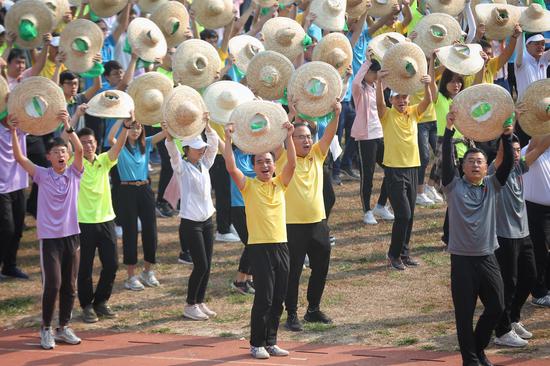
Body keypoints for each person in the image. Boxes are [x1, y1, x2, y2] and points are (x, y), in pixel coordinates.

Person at [442, 107, 514, 366]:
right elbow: (445, 161)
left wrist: (507, 135)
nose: (474, 164)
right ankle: (470, 360)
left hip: (487, 258)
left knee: (497, 306)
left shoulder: (493, 186)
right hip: (461, 261)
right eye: (470, 161)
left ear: (486, 169)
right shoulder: (452, 186)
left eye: (479, 162)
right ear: (462, 167)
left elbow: (507, 165)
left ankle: (478, 347)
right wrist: (448, 131)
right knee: (464, 315)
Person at [10, 110, 84, 350]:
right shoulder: (42, 175)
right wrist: (13, 131)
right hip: (50, 239)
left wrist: (67, 123)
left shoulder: (74, 173)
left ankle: (63, 327)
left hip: (72, 236)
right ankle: (45, 328)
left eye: (63, 151)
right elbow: (20, 158)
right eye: (56, 152)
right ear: (48, 157)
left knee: (70, 285)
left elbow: (80, 150)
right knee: (53, 283)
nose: (61, 154)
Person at [224, 121, 296, 360]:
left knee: (279, 297)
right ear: (253, 167)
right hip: (259, 248)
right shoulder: (249, 186)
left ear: (274, 165)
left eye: (268, 161)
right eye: (259, 162)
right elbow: (231, 167)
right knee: (264, 297)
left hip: (281, 245)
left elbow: (293, 164)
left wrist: (288, 136)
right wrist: (227, 137)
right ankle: (256, 343)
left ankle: (271, 341)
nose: (264, 165)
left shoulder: (280, 184)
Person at [279, 98, 341, 332]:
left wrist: (337, 113)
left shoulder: (317, 154)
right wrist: (291, 116)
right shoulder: (283, 158)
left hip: (318, 224)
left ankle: (313, 309)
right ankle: (291, 314)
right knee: (293, 272)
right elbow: (278, 137)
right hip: (292, 226)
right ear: (290, 141)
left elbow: (330, 134)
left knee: (321, 267)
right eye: (300, 137)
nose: (306, 140)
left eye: (308, 137)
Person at [74, 109, 132, 323]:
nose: (88, 146)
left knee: (111, 264)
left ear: (96, 143)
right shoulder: (75, 163)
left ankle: (101, 301)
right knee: (85, 268)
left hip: (107, 220)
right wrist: (70, 119)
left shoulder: (103, 161)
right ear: (78, 145)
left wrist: (125, 126)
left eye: (90, 142)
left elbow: (117, 148)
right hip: (83, 223)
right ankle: (86, 305)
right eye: (83, 142)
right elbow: (63, 138)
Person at [375, 69, 434, 270]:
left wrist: (427, 84)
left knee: (410, 216)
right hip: (395, 171)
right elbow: (379, 104)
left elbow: (428, 101)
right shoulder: (387, 115)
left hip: (413, 169)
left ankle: (404, 253)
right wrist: (380, 83)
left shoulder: (413, 113)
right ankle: (393, 254)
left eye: (404, 97)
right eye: (398, 98)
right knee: (403, 215)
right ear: (392, 100)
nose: (402, 101)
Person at [164, 117, 220, 321]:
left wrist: (208, 128)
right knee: (201, 264)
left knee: (208, 264)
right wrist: (169, 136)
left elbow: (213, 147)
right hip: (191, 222)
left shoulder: (204, 164)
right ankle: (190, 304)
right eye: (197, 148)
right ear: (187, 149)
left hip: (207, 220)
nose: (202, 150)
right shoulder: (182, 168)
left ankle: (200, 301)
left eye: (201, 147)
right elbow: (172, 153)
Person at [491, 133, 542, 347]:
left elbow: (539, 147)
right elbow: (502, 156)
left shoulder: (520, 167)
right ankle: (501, 332)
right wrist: (506, 133)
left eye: (518, 149)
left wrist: (542, 121)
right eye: (511, 150)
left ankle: (513, 318)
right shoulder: (497, 170)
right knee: (508, 283)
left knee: (530, 276)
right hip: (505, 235)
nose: (515, 153)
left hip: (524, 233)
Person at [108, 119, 166, 291]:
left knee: (150, 231)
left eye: (138, 127)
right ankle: (131, 276)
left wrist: (164, 125)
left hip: (145, 189)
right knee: (130, 232)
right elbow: (111, 137)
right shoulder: (120, 146)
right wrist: (120, 120)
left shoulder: (146, 144)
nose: (135, 130)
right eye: (132, 127)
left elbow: (164, 134)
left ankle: (147, 272)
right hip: (126, 191)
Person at [0, 107, 29, 279]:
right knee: (6, 228)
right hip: (1, 187)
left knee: (18, 227)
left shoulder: (22, 129)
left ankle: (10, 266)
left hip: (19, 183)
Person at [522, 135, 550, 307]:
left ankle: (547, 286)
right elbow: (528, 157)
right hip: (535, 210)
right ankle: (538, 293)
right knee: (540, 251)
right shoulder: (529, 151)